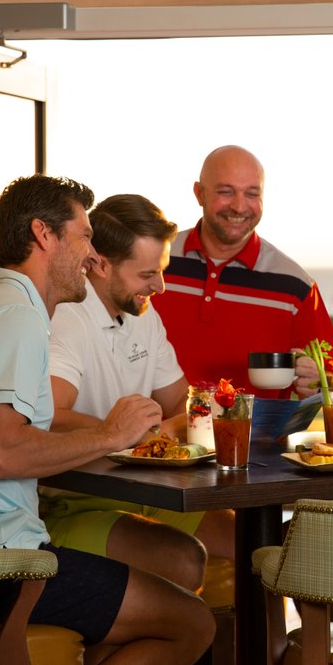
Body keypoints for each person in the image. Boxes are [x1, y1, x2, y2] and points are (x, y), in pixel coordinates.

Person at [0, 175, 213, 665]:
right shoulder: (15, 319)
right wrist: (111, 435)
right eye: (85, 236)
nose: (92, 255)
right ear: (44, 235)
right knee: (191, 623)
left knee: (145, 613)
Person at [42, 193, 235, 583]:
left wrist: (218, 409)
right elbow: (49, 419)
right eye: (148, 275)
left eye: (161, 270)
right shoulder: (67, 319)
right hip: (72, 502)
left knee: (251, 542)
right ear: (99, 263)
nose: (161, 287)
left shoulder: (143, 316)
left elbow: (183, 402)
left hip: (144, 492)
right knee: (184, 560)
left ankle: (276, 647)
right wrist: (128, 435)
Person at [154, 144, 333, 398]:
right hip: (157, 437)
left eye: (252, 194)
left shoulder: (295, 285)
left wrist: (318, 382)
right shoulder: (154, 262)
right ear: (199, 193)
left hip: (258, 437)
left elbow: (332, 381)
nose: (239, 207)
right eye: (226, 192)